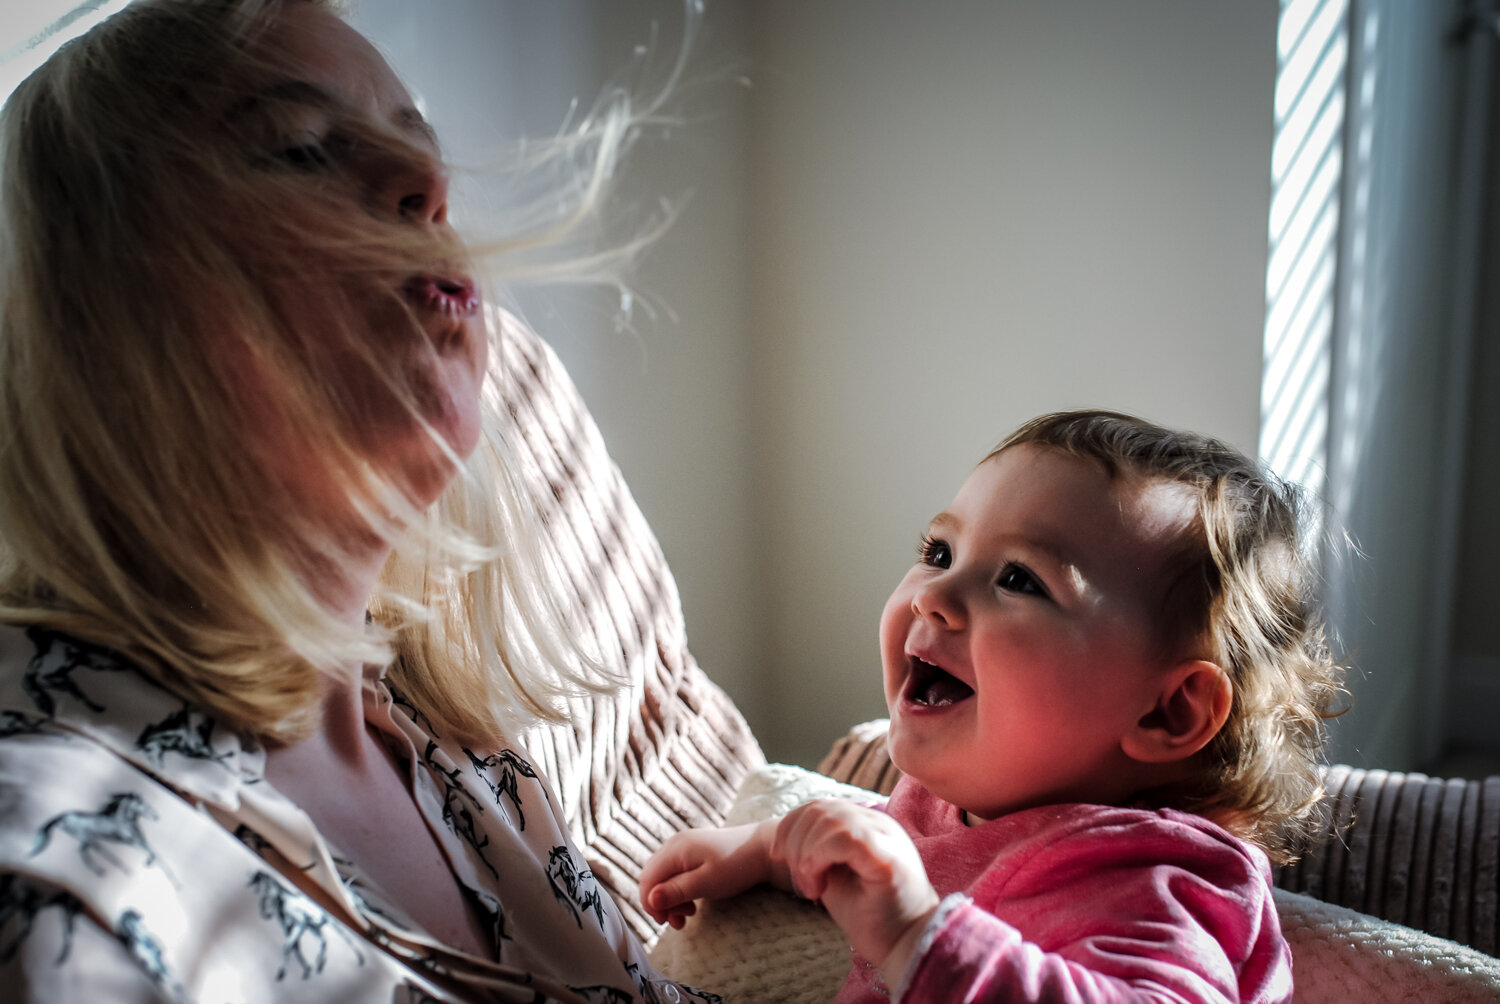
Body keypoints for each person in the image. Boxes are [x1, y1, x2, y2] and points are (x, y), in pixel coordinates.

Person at [0, 1, 718, 1001]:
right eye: (300, 151)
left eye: (415, 143)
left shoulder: (459, 754)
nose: (431, 185)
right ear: (98, 309)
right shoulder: (60, 871)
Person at [641, 410, 1345, 1003]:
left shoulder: (1163, 881)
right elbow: (886, 847)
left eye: (1019, 579)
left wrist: (918, 935)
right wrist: (772, 849)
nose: (931, 596)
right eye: (940, 552)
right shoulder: (959, 799)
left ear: (1168, 713)